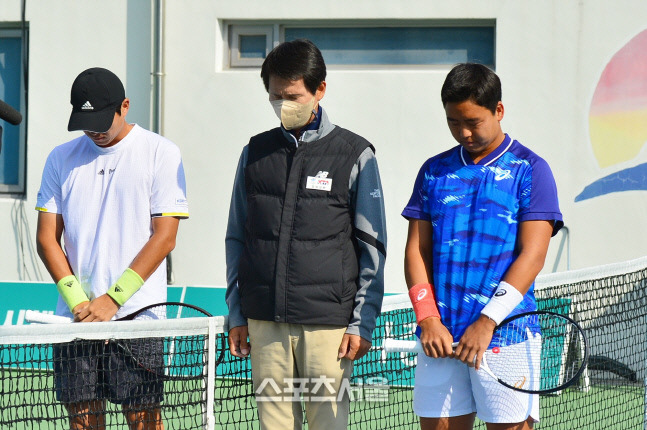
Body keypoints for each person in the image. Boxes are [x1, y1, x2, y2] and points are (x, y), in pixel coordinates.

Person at [225, 39, 387, 429]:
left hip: (328, 327)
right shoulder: (254, 152)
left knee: (328, 423)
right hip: (264, 322)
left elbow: (373, 246)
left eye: (293, 96)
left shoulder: (355, 153)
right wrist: (236, 313)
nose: (285, 105)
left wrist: (361, 323)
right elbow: (237, 238)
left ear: (320, 90)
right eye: (275, 97)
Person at [402, 63, 563, 430]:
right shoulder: (433, 171)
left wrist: (487, 322)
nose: (464, 132)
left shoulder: (531, 169)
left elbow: (533, 255)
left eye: (473, 121)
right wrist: (428, 318)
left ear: (499, 111)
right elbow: (416, 251)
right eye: (453, 122)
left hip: (505, 337)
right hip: (439, 339)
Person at [35, 67, 189, 430]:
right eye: (86, 122)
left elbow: (165, 236)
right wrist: (78, 301)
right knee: (84, 423)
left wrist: (114, 299)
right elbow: (46, 238)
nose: (95, 130)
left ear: (125, 106)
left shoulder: (160, 152)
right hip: (76, 319)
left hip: (139, 316)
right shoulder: (60, 157)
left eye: (103, 120)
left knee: (143, 421)